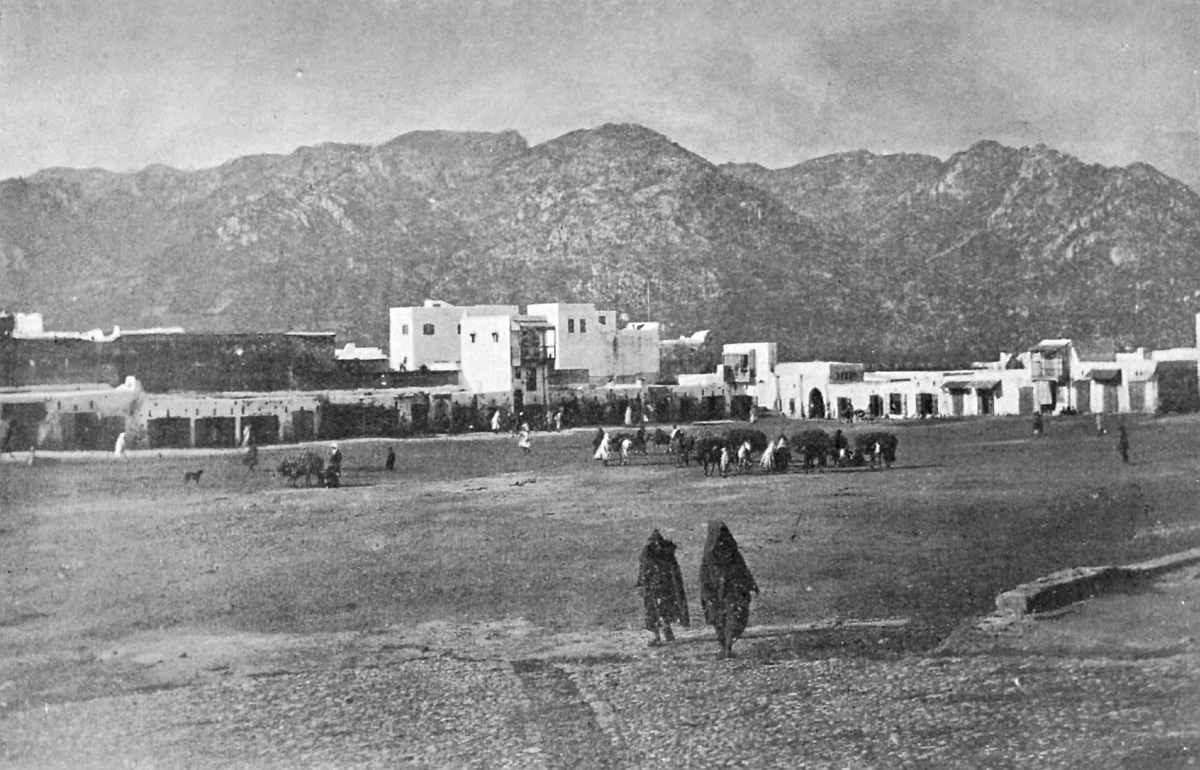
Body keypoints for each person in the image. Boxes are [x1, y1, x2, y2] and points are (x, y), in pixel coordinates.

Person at [700, 520, 759, 659]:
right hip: (717, 593)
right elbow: (704, 578)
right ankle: (726, 647)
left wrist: (751, 584)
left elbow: (743, 570)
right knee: (720, 621)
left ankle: (727, 647)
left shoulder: (732, 554)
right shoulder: (710, 557)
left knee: (732, 619)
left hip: (732, 592)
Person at [637, 529, 689, 646]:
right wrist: (642, 584)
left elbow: (674, 571)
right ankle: (656, 634)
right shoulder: (647, 554)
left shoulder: (666, 554)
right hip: (653, 586)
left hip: (664, 585)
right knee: (652, 610)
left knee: (663, 609)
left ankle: (666, 629)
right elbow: (643, 570)